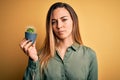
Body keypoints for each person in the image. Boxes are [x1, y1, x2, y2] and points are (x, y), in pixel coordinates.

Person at [20, 2, 98, 80]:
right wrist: (33, 60)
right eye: (54, 22)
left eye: (64, 19)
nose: (59, 26)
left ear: (74, 21)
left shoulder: (89, 55)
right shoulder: (40, 56)